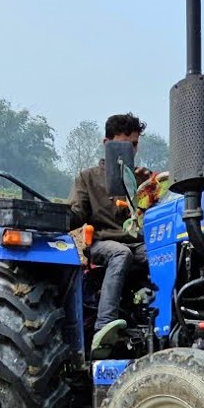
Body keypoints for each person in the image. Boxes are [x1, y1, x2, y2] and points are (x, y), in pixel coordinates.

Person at [68, 113, 154, 353]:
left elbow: (153, 213)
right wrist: (54, 217)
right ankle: (103, 328)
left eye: (134, 144)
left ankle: (166, 321)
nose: (130, 150)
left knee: (167, 255)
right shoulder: (88, 178)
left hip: (137, 242)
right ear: (107, 144)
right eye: (123, 144)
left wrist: (153, 191)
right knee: (120, 254)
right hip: (103, 243)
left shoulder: (141, 178)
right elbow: (77, 213)